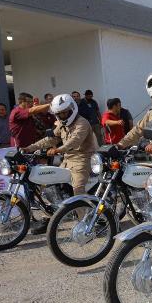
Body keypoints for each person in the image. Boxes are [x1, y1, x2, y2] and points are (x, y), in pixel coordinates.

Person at [22, 94, 98, 233]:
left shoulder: (82, 123)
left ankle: (85, 225)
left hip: (82, 159)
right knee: (49, 183)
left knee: (77, 189)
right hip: (67, 159)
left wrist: (58, 150)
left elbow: (75, 141)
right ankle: (52, 218)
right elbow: (50, 139)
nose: (62, 115)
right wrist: (30, 148)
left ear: (71, 109)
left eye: (64, 112)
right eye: (59, 113)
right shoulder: (63, 124)